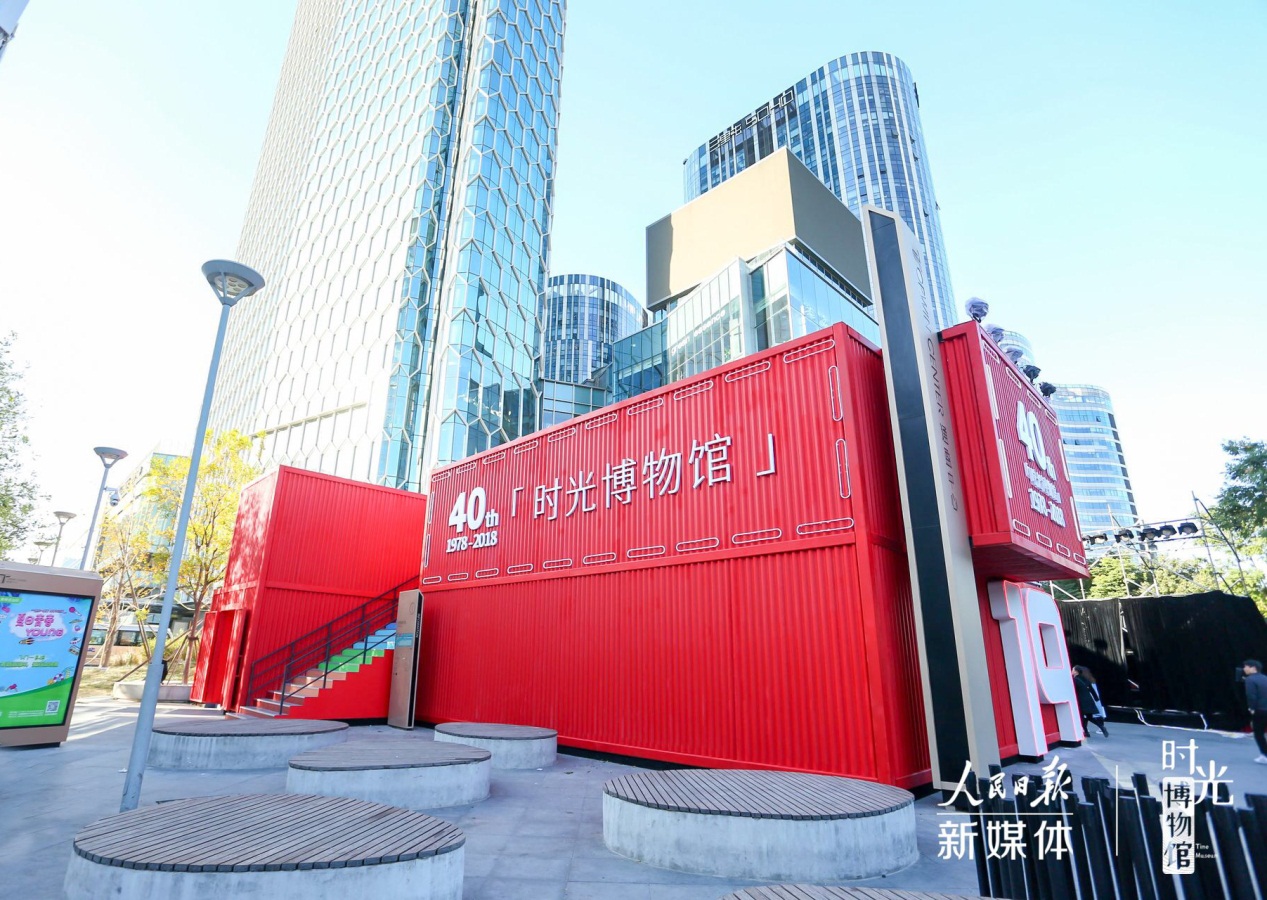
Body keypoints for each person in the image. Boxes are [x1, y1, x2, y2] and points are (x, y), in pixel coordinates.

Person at [1242, 659, 1267, 764]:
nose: (1244, 669)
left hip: (1260, 710)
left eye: (1246, 666)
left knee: (1258, 733)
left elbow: (1251, 695)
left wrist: (1252, 708)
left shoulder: (1250, 680)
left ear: (1253, 668)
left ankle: (1265, 755)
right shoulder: (1265, 678)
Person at [1073, 665, 1109, 737]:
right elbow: (1091, 690)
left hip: (1081, 701)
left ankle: (1089, 731)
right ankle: (1096, 729)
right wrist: (1096, 699)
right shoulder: (1085, 679)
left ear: (1076, 672)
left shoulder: (1074, 680)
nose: (1072, 671)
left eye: (1073, 670)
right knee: (1088, 716)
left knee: (1083, 717)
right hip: (1089, 700)